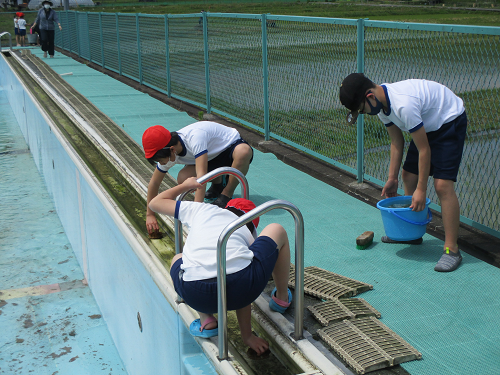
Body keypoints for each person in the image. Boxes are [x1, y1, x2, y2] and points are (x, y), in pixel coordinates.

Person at [149, 177, 292, 355]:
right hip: (242, 290)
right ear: (252, 223)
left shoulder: (202, 209)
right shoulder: (249, 233)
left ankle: (206, 319)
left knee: (178, 258)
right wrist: (247, 336)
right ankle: (281, 298)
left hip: (195, 294)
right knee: (273, 233)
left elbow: (155, 203)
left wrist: (185, 186)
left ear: (226, 208)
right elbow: (238, 279)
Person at [339, 73, 467, 272]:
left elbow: (424, 149)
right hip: (426, 123)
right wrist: (392, 178)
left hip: (448, 119)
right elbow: (396, 142)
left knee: (442, 185)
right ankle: (412, 233)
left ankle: (452, 249)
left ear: (370, 96)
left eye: (361, 110)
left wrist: (421, 191)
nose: (363, 114)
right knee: (408, 175)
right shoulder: (382, 106)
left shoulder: (403, 105)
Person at [142, 121, 254, 235]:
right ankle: (218, 182)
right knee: (183, 178)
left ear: (172, 149)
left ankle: (226, 193)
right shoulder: (167, 151)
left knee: (243, 151)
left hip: (228, 148)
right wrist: (150, 214)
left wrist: (197, 215)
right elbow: (154, 183)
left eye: (161, 160)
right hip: (209, 157)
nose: (161, 163)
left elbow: (202, 177)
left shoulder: (195, 138)